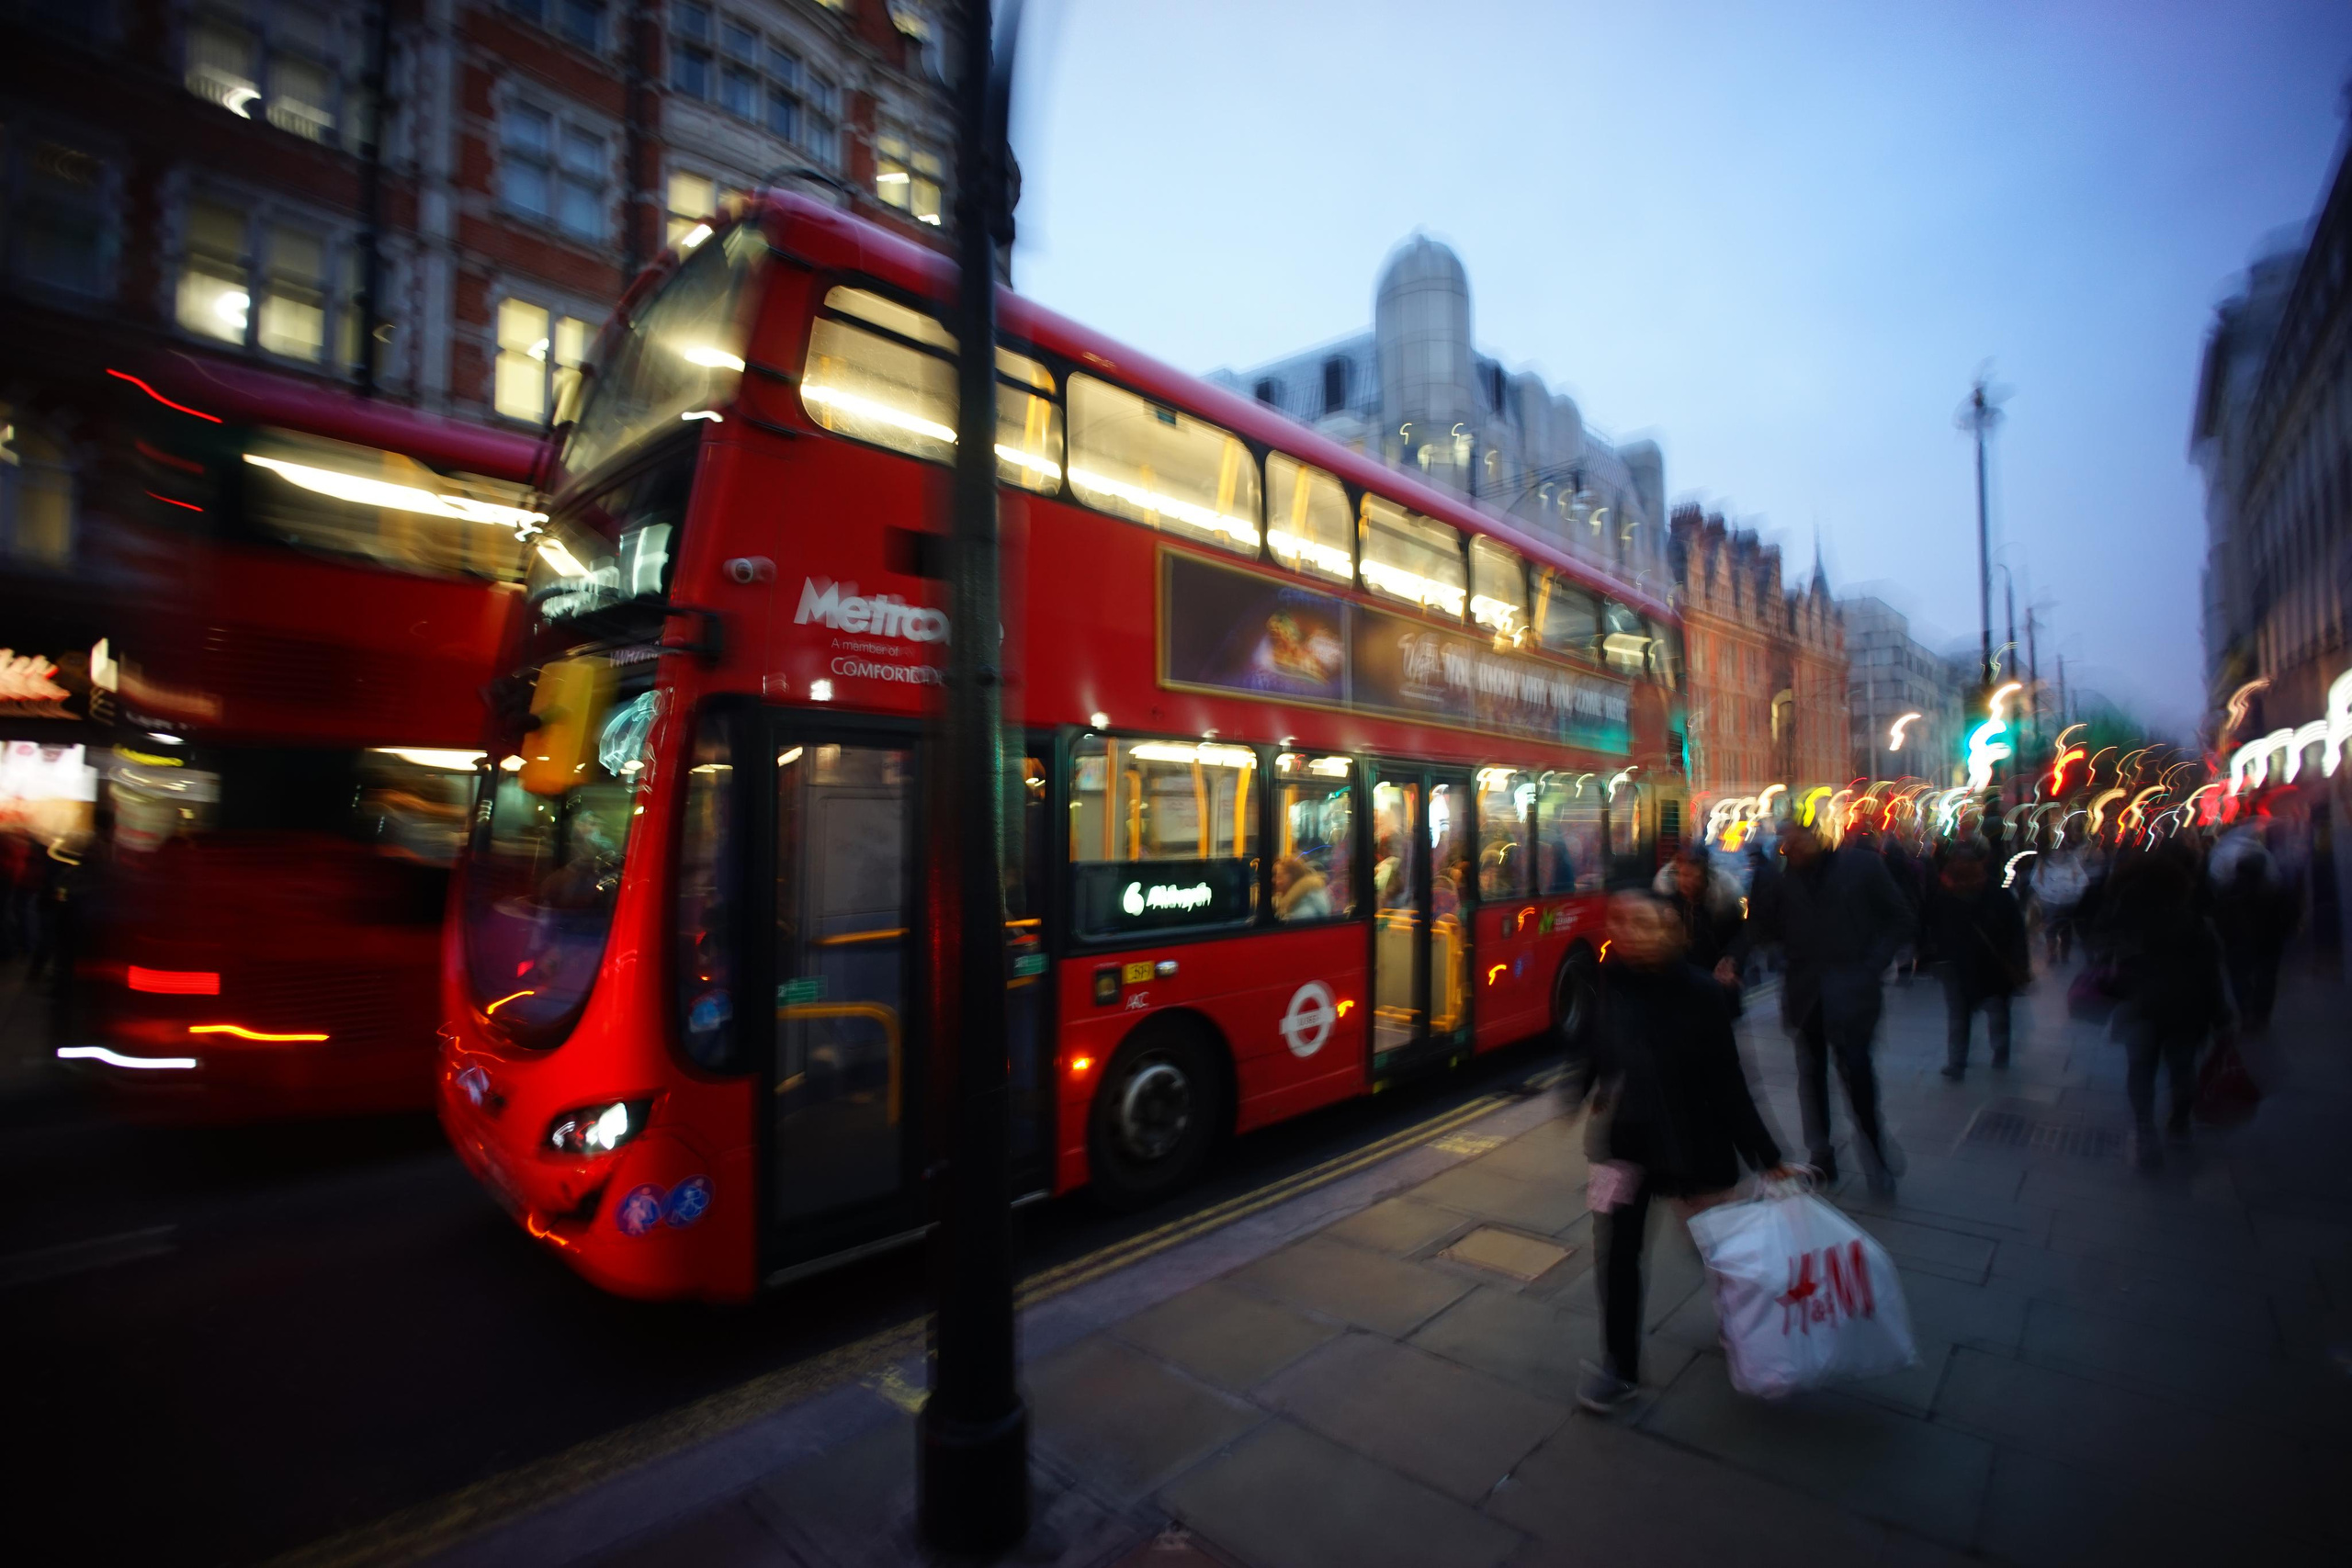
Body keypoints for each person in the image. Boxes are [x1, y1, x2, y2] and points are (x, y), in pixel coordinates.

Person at [1574, 892, 1792, 1414]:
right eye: (1619, 921)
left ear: (1669, 930)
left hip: (1695, 1145)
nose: (1628, 932)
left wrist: (1767, 1155)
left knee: (1720, 1252)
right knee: (1616, 1256)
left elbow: (1729, 1082)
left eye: (1642, 922)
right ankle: (1619, 1367)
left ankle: (1748, 1328)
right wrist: (1581, 1088)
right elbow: (1598, 1047)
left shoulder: (1701, 992)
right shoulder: (1610, 979)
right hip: (1624, 1148)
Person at [1740, 820, 1915, 1195]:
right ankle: (1822, 1155)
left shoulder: (1862, 866)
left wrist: (1871, 966)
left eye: (1797, 839)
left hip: (1853, 994)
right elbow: (1761, 931)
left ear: (1817, 836)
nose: (1791, 847)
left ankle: (1874, 1151)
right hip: (1806, 997)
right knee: (1811, 1075)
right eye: (1786, 843)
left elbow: (1900, 918)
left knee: (1858, 1073)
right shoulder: (1782, 882)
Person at [2098, 844, 2232, 1167]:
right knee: (2182, 1068)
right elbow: (2209, 974)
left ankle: (2145, 1130)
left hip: (2142, 1007)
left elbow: (2106, 956)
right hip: (2187, 1008)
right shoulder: (2193, 924)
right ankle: (2179, 1122)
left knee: (2141, 1069)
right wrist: (2221, 1017)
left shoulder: (2125, 921)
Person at [1923, 846, 2030, 1077]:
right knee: (1995, 1011)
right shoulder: (1996, 892)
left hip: (1962, 964)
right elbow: (2016, 929)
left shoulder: (1946, 892)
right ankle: (1998, 1052)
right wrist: (2019, 962)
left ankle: (1958, 1062)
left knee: (1960, 1015)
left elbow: (1933, 928)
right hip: (1988, 965)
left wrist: (1935, 957)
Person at [1272, 854, 1332, 920]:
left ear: (1292, 877)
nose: (1275, 881)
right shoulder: (1296, 899)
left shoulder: (1302, 911)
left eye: (1279, 877)